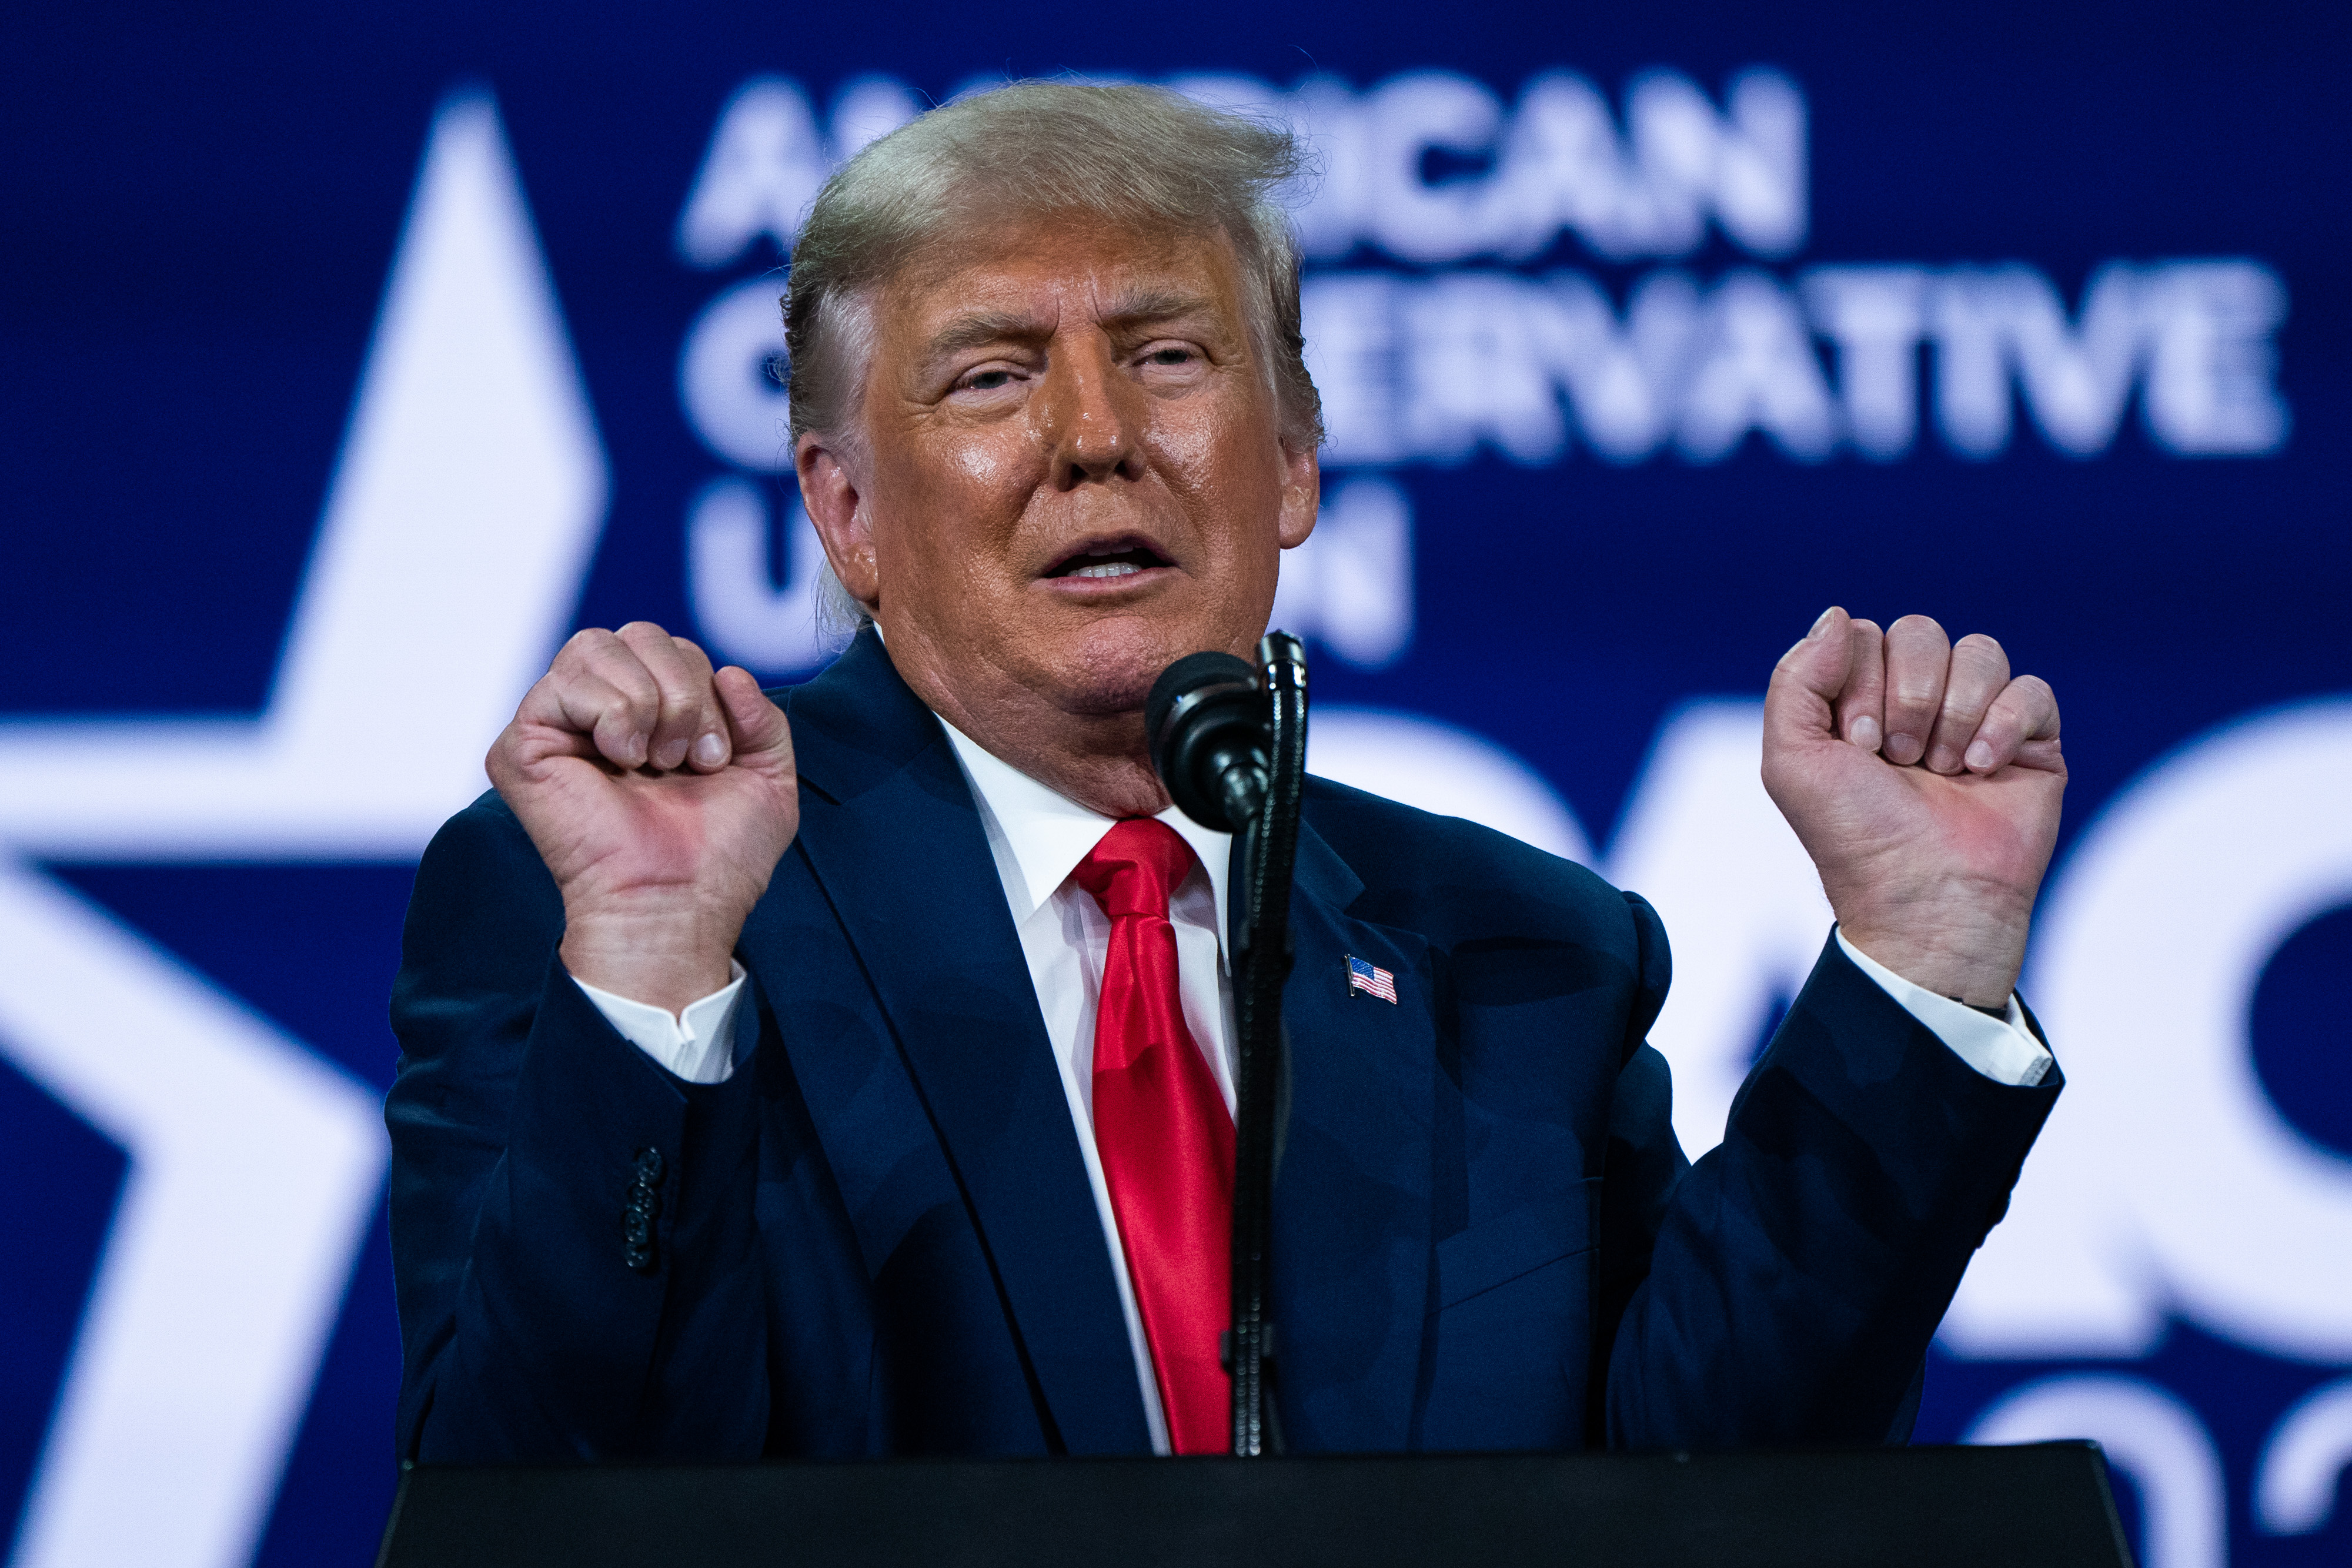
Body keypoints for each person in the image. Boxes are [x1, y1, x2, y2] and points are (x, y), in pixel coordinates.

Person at [386, 81, 2066, 1463]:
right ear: (846, 512)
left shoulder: (1520, 954)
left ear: (1295, 465)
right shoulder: (639, 905)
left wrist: (1917, 963)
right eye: (991, 375)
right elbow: (530, 1503)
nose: (1096, 434)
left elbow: (1713, 1490)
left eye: (1169, 355)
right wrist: (657, 983)